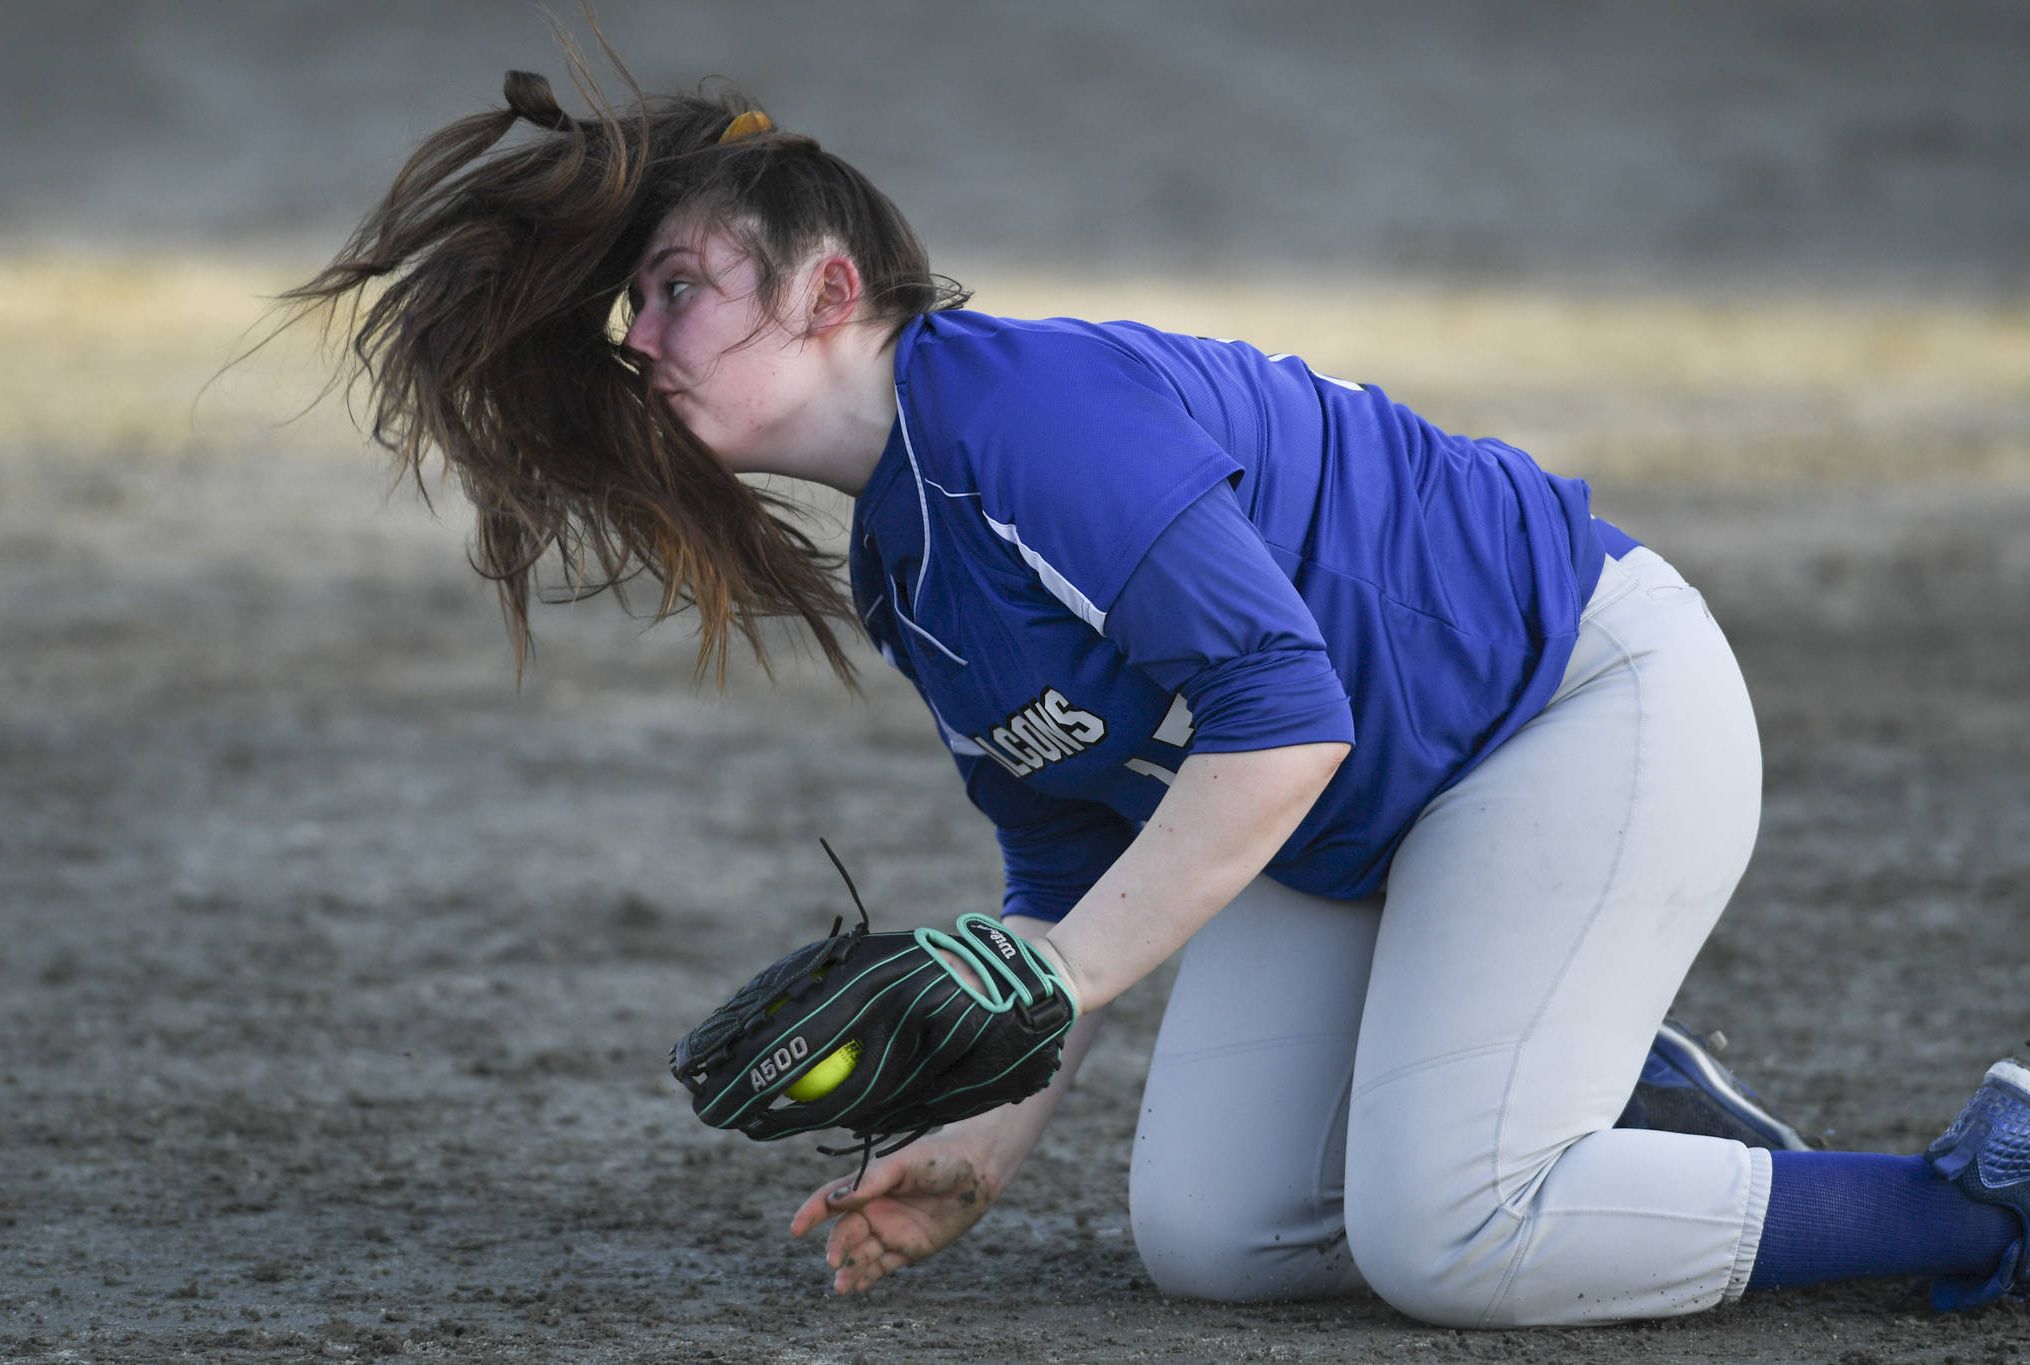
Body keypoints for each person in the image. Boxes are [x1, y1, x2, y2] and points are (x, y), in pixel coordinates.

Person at [289, 66, 2030, 1325]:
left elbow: (1287, 713)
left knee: (1454, 1236)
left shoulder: (1021, 414)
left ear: (829, 289)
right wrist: (977, 1143)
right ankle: (1586, 1075)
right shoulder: (905, 558)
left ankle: (1972, 1193)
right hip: (1369, 822)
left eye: (677, 288)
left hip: (1573, 708)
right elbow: (1067, 869)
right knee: (1216, 1239)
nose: (641, 339)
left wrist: (1047, 979)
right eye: (636, 307)